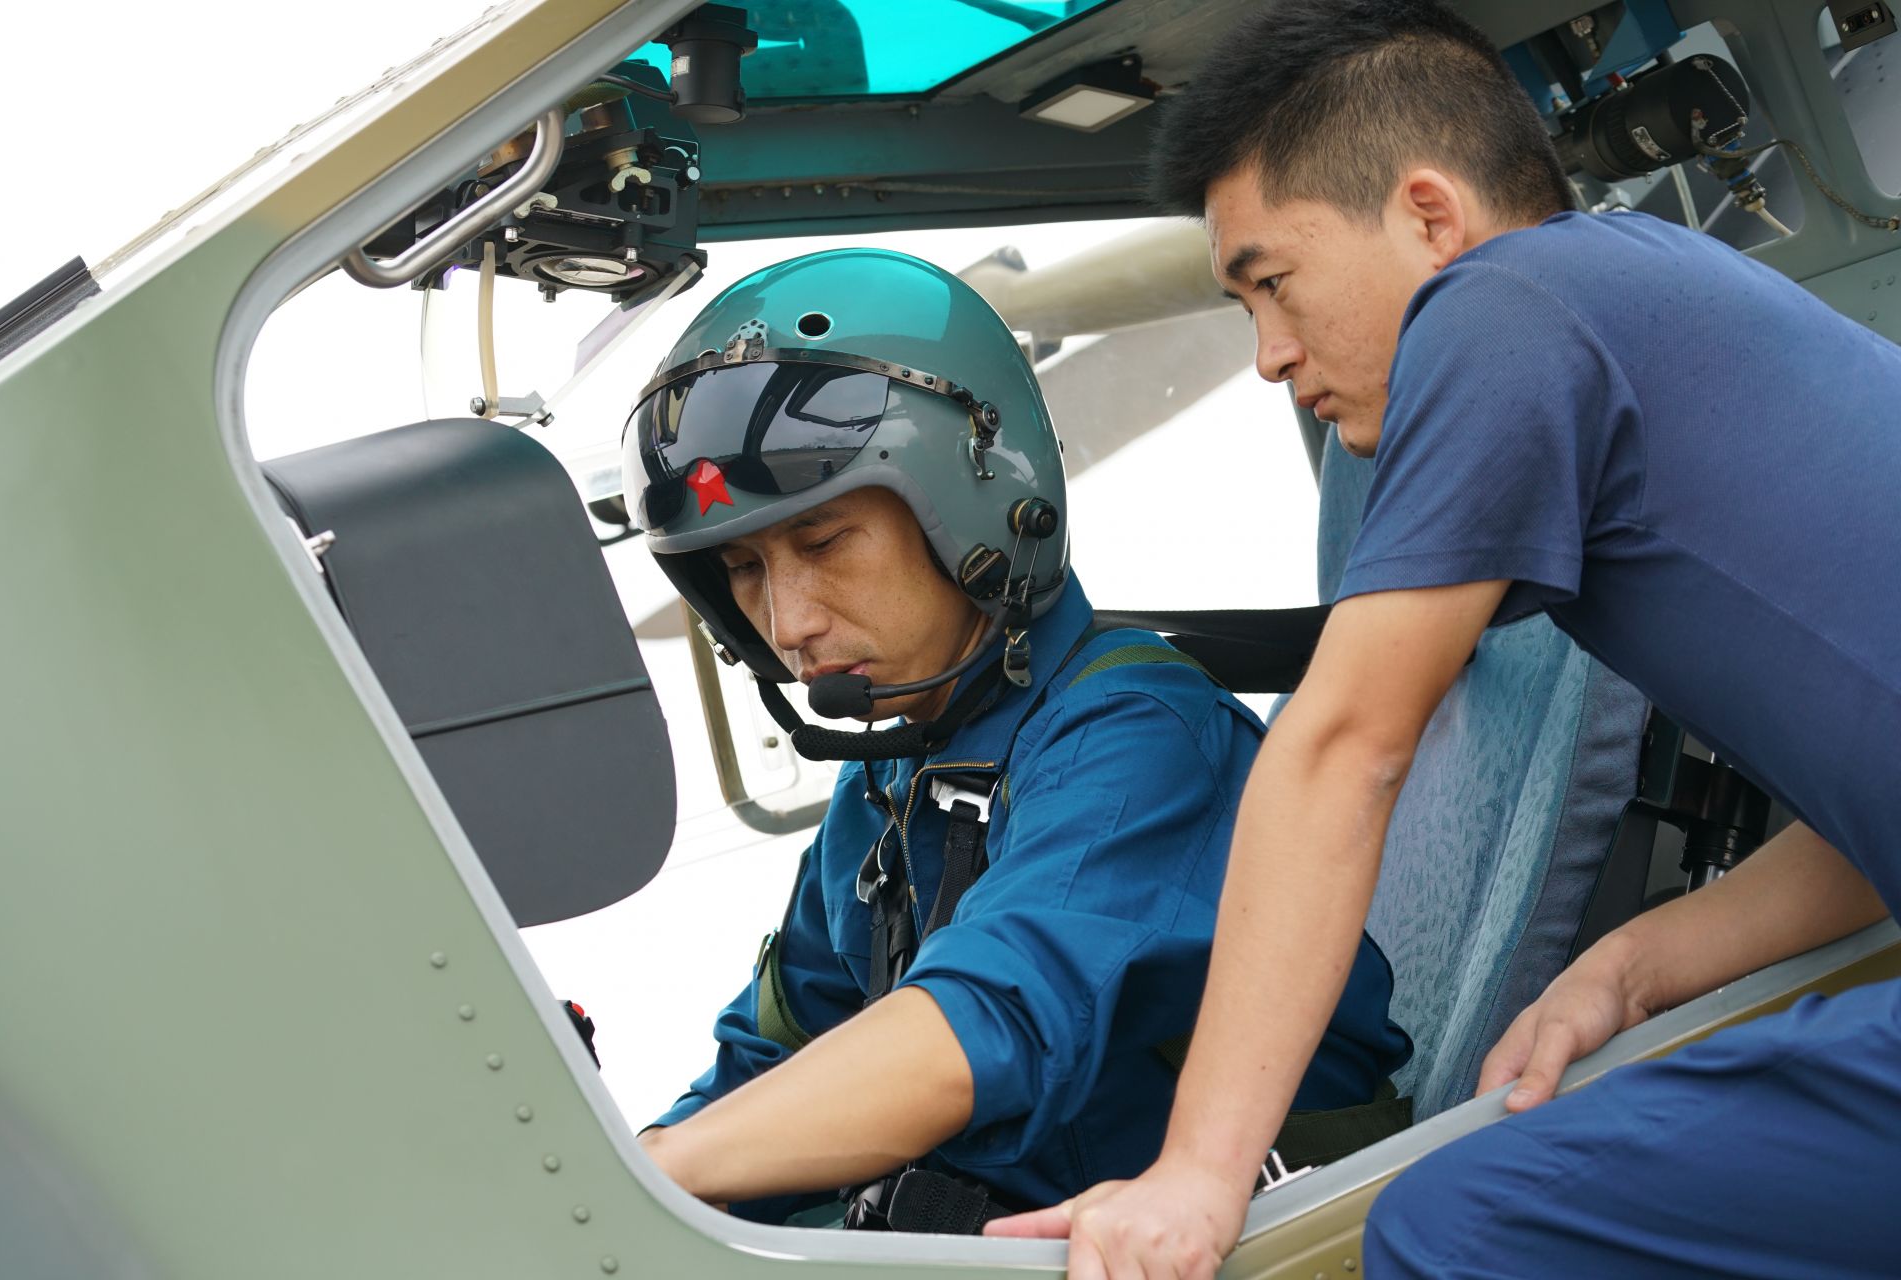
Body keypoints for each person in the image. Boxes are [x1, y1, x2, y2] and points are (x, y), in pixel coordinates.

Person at [985, 2, 1901, 1275]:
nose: (1269, 355)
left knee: (1457, 1225)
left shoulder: (1505, 306)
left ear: (1428, 216)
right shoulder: (1631, 290)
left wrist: (1195, 1177)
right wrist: (1635, 966)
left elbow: (1348, 744)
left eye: (1273, 282)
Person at [619, 248, 1412, 1230]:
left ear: (974, 505)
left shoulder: (1132, 734)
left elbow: (986, 1024)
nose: (789, 622)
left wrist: (664, 1170)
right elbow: (771, 1051)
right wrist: (614, 1178)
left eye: (823, 545)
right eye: (742, 569)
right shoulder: (886, 783)